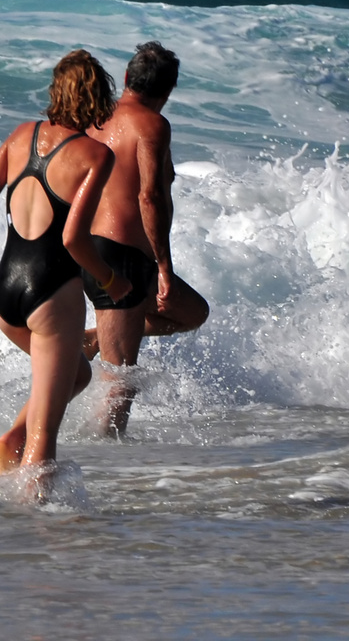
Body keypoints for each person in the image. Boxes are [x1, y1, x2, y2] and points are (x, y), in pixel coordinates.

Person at [0, 51, 131, 481]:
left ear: (56, 92)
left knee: (76, 374)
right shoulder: (95, 156)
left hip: (6, 294)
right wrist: (112, 281)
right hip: (51, 295)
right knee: (44, 446)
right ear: (99, 97)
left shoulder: (22, 135)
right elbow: (73, 240)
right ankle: (39, 534)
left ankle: (11, 441)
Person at [82, 41, 210, 436]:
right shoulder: (153, 125)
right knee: (120, 385)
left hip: (89, 250)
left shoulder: (93, 120)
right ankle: (107, 471)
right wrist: (165, 266)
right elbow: (150, 196)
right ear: (168, 91)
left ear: (126, 78)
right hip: (121, 259)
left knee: (192, 313)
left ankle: (91, 340)